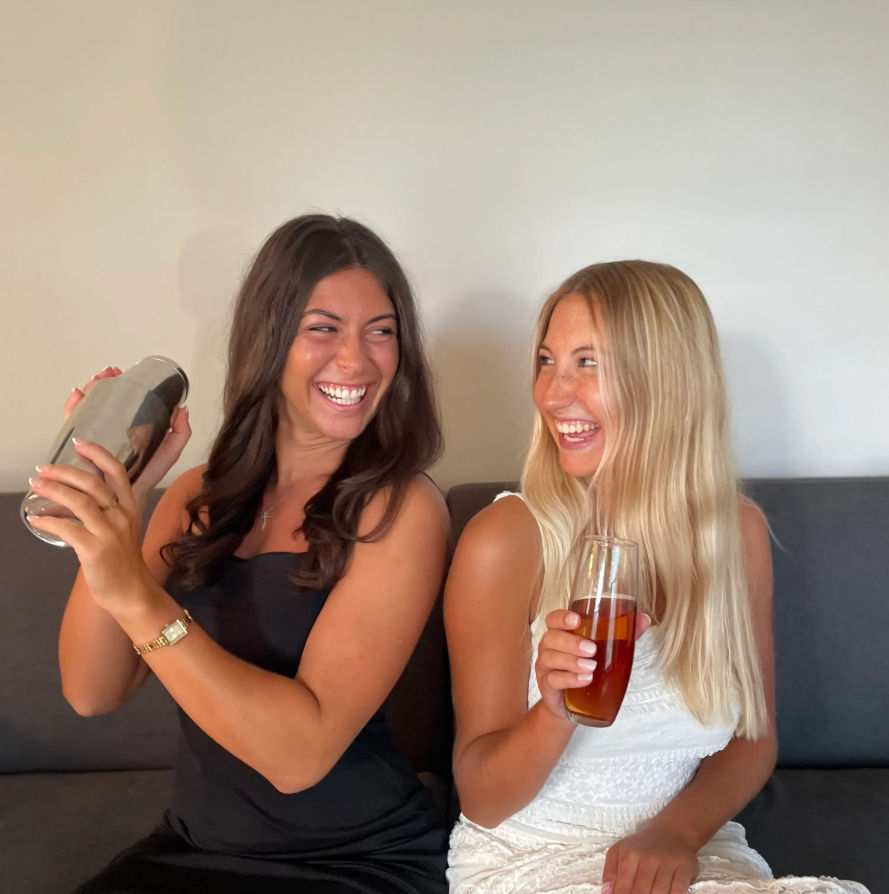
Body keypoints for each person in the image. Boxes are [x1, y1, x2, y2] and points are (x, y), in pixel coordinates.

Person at [29, 214, 450, 893]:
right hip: (194, 847)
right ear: (269, 337)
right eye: (323, 328)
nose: (356, 359)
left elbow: (300, 756)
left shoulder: (399, 507)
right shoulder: (197, 494)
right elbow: (91, 691)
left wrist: (139, 597)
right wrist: (122, 504)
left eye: (381, 331)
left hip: (353, 861)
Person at [444, 261, 869, 894]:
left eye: (588, 362)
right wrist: (556, 711)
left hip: (691, 847)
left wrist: (677, 832)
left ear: (666, 379)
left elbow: (753, 740)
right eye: (546, 360)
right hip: (534, 859)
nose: (554, 394)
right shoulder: (506, 541)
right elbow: (483, 799)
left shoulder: (736, 535)